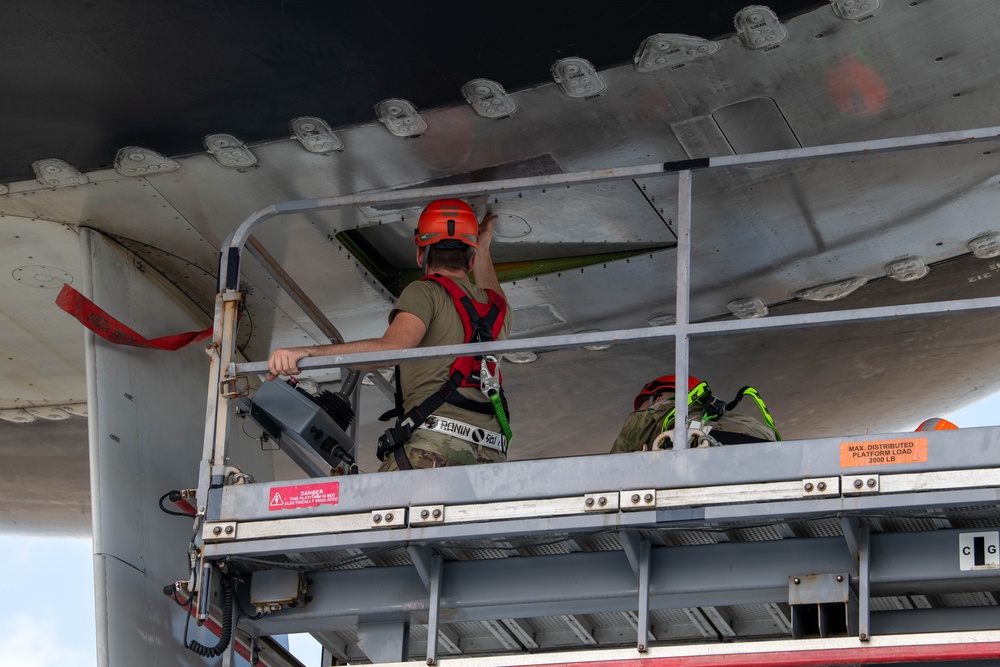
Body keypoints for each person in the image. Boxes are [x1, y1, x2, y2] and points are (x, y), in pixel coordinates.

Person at [267, 198, 512, 471]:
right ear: (473, 257)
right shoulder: (498, 309)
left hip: (434, 447)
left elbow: (392, 349)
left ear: (420, 254)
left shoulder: (427, 291)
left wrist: (311, 353)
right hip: (491, 456)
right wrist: (485, 247)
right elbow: (493, 292)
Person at [610, 375, 779, 453]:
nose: (639, 411)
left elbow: (616, 465)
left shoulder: (649, 414)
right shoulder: (744, 420)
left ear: (659, 399)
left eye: (643, 405)